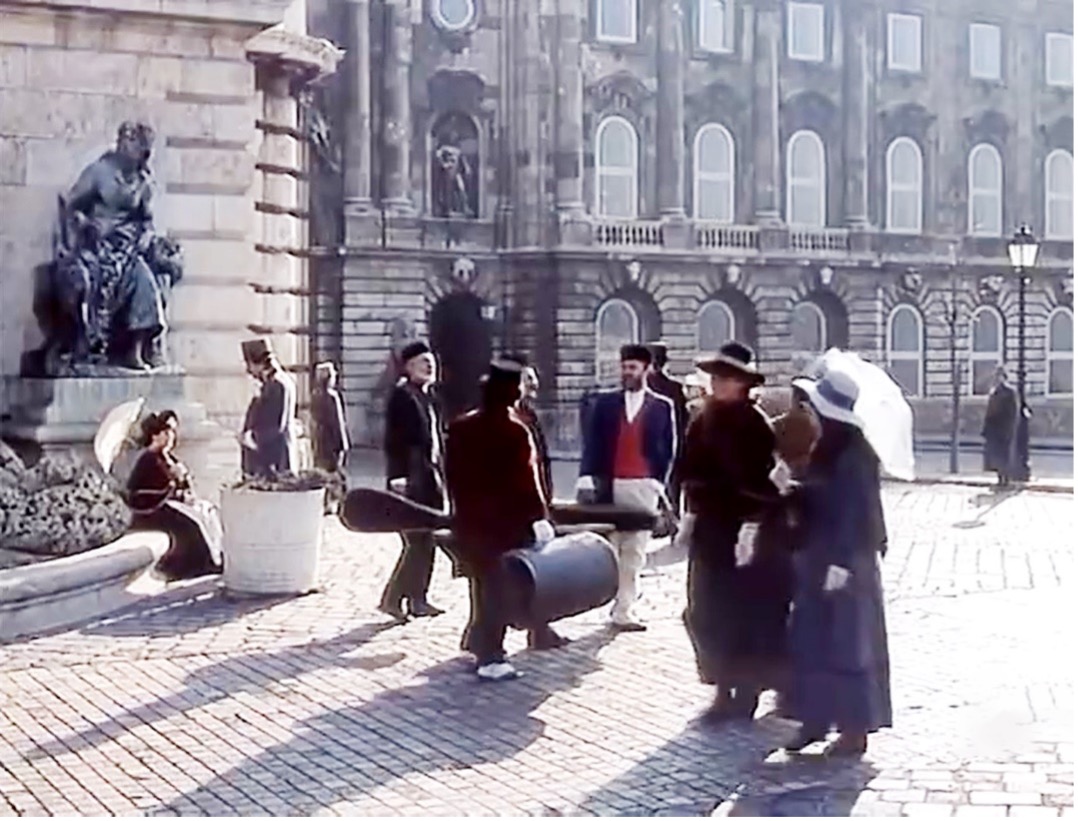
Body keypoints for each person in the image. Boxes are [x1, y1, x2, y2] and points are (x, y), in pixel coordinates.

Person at [784, 366, 892, 757]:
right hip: (817, 557)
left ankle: (854, 728)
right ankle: (813, 720)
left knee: (849, 645)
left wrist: (843, 562)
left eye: (814, 407)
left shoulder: (856, 455)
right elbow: (819, 499)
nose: (809, 413)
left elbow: (857, 512)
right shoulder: (826, 449)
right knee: (812, 640)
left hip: (847, 564)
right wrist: (793, 490)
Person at [680, 341, 790, 722]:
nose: (718, 384)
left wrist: (753, 524)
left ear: (743, 384)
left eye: (727, 378)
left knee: (744, 614)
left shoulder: (754, 423)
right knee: (705, 610)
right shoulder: (702, 419)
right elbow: (688, 470)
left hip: (744, 531)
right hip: (710, 530)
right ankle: (721, 686)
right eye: (715, 377)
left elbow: (762, 481)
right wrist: (689, 512)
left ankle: (745, 692)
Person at [446, 360, 561, 681]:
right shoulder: (514, 430)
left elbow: (452, 477)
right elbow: (526, 479)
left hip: (470, 522)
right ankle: (491, 656)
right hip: (504, 526)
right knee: (499, 590)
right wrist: (539, 517)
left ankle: (477, 641)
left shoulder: (461, 426)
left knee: (480, 585)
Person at [577, 344, 676, 632]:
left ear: (647, 370)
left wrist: (658, 480)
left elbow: (668, 448)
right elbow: (592, 442)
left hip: (643, 484)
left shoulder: (661, 406)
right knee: (610, 545)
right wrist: (586, 475)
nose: (627, 372)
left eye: (633, 367)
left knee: (635, 549)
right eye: (624, 367)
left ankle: (624, 608)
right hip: (610, 482)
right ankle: (605, 597)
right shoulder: (605, 404)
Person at [380, 341, 447, 621]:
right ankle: (394, 598)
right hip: (410, 478)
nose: (429, 367)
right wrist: (398, 477)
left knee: (427, 539)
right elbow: (394, 441)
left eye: (431, 362)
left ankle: (418, 598)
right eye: (423, 362)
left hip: (429, 477)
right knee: (416, 541)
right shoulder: (402, 397)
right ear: (408, 368)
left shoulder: (428, 397)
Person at [511, 361, 569, 650]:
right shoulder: (509, 417)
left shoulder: (528, 414)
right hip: (517, 507)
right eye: (528, 380)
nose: (534, 385)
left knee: (538, 569)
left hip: (536, 500)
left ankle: (540, 628)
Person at [127, 411, 222, 581]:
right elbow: (139, 493)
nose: (172, 436)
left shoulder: (168, 457)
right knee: (191, 522)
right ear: (155, 435)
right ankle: (197, 565)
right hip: (156, 510)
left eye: (172, 431)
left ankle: (217, 555)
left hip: (175, 503)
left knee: (208, 511)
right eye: (167, 432)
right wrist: (171, 485)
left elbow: (182, 486)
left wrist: (184, 480)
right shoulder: (148, 460)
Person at [239, 338, 297, 478]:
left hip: (273, 461)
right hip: (272, 459)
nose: (248, 370)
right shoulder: (275, 383)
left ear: (259, 363)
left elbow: (275, 426)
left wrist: (250, 437)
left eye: (249, 364)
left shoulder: (277, 385)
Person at [646, 342, 689, 517]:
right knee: (672, 490)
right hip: (673, 447)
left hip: (648, 450)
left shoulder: (641, 388)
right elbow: (683, 420)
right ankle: (671, 522)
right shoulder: (675, 388)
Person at [311, 361, 350, 474]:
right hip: (333, 442)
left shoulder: (315, 395)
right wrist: (343, 445)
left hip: (320, 442)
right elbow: (337, 422)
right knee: (336, 473)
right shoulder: (332, 397)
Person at [982, 367, 1018, 488]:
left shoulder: (1010, 392)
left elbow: (1013, 412)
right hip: (994, 428)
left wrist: (1010, 428)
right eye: (997, 376)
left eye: (1000, 376)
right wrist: (986, 428)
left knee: (1004, 455)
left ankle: (1005, 479)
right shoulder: (994, 392)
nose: (998, 379)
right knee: (996, 455)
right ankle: (1000, 478)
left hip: (1004, 428)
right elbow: (989, 411)